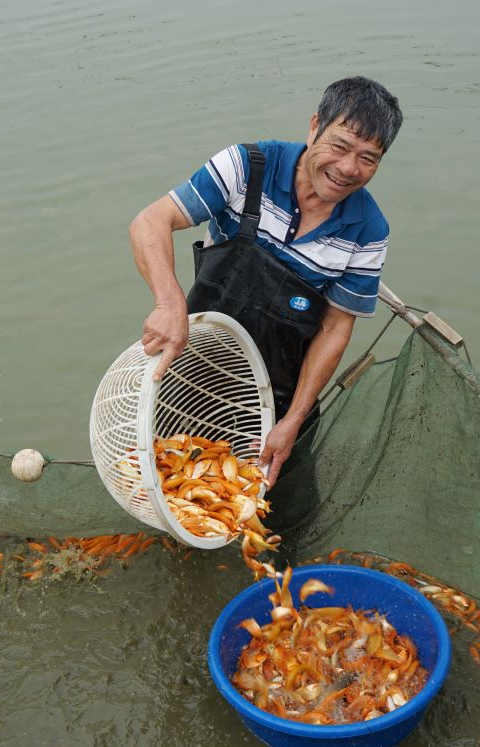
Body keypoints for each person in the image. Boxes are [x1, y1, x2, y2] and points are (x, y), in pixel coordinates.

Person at [129, 76, 403, 488]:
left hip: (278, 399)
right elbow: (151, 221)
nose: (348, 168)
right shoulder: (247, 167)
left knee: (268, 512)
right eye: (340, 146)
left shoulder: (368, 231)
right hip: (195, 373)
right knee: (170, 486)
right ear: (314, 127)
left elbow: (335, 328)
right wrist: (170, 305)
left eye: (369, 158)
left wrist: (292, 420)